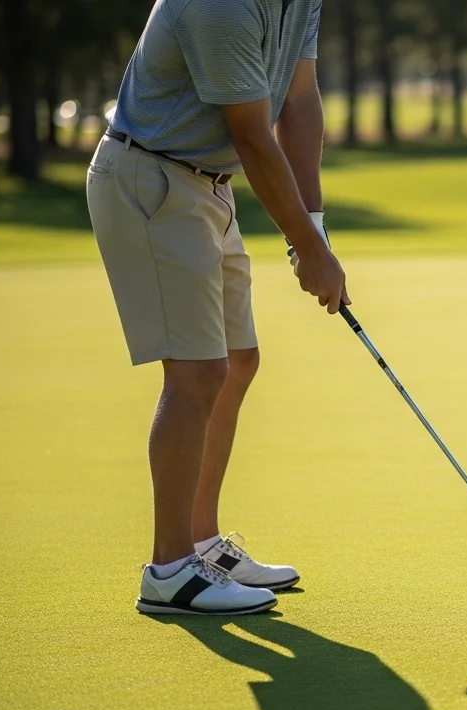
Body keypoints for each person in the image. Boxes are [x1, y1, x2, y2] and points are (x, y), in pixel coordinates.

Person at [86, 0, 346, 615]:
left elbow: (299, 103)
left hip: (206, 184)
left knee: (237, 359)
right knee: (198, 370)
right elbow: (252, 134)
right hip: (151, 178)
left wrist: (313, 227)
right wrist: (306, 250)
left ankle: (201, 545)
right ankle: (169, 570)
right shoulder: (221, 5)